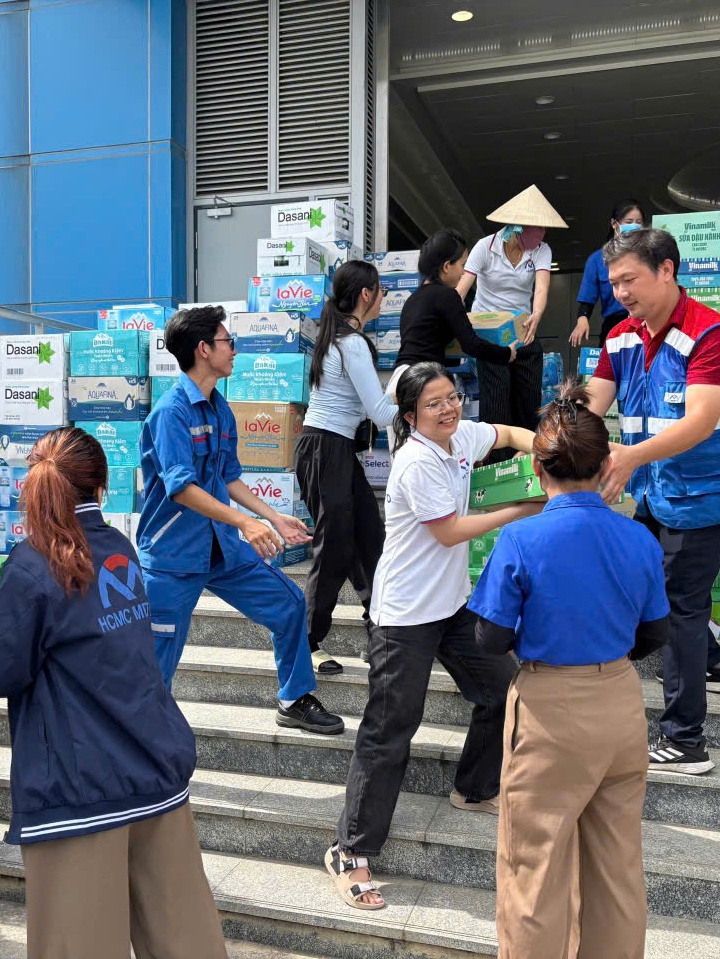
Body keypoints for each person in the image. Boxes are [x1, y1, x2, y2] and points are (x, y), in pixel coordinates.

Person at [0, 428, 229, 959]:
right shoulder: (118, 548)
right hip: (154, 772)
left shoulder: (31, 569)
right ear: (103, 486)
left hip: (80, 794)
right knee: (187, 943)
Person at [324, 362, 539, 910]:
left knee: (501, 688)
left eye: (453, 397)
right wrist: (519, 509)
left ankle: (473, 787)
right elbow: (448, 533)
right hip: (402, 616)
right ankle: (350, 852)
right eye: (434, 403)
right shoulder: (416, 460)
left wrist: (547, 452)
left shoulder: (460, 435)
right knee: (390, 728)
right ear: (410, 416)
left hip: (449, 606)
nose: (449, 408)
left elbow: (510, 434)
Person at [468, 380, 669, 959]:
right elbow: (655, 632)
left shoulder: (522, 538)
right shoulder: (637, 538)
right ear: (607, 462)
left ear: (537, 466)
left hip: (550, 709)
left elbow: (490, 637)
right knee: (617, 869)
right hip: (620, 705)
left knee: (535, 870)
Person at [137, 305, 344, 734]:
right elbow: (181, 487)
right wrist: (247, 524)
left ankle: (293, 698)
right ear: (203, 349)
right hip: (172, 557)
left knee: (288, 604)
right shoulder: (170, 413)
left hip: (221, 548)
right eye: (228, 341)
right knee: (157, 664)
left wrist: (272, 516)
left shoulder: (221, 409)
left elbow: (228, 476)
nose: (235, 349)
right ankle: (141, 742)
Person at [587, 227, 720, 773]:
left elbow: (703, 419)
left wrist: (631, 457)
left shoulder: (707, 332)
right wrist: (562, 435)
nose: (620, 292)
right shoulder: (620, 335)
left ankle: (686, 739)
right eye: (614, 282)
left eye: (630, 279)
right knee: (642, 595)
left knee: (681, 610)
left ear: (667, 270)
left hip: (699, 500)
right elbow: (593, 404)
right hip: (649, 494)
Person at [295, 260, 397, 675]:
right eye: (381, 291)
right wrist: (425, 403)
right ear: (367, 295)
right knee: (334, 547)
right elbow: (380, 411)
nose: (383, 299)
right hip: (325, 450)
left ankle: (383, 635)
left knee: (370, 537)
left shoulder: (338, 337)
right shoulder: (350, 343)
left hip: (331, 451)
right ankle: (305, 642)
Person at [456, 184, 568, 461]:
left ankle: (526, 463)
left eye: (543, 229)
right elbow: (461, 288)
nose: (541, 234)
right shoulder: (486, 247)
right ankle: (495, 467)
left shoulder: (541, 251)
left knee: (527, 402)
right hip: (490, 334)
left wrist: (537, 314)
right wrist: (454, 320)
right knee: (496, 404)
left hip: (522, 329)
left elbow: (541, 288)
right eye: (536, 228)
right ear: (517, 227)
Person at [392, 227, 518, 391]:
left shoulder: (412, 300)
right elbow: (471, 344)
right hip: (424, 379)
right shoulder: (448, 296)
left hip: (400, 377)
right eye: (462, 264)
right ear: (446, 266)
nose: (464, 272)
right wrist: (506, 353)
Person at [569, 199, 646, 347]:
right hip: (614, 325)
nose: (634, 226)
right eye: (628, 222)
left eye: (638, 222)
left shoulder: (648, 256)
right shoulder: (597, 259)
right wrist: (582, 319)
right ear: (614, 224)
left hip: (645, 322)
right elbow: (587, 300)